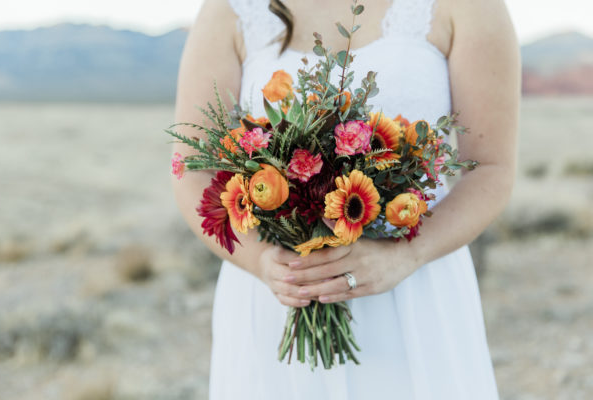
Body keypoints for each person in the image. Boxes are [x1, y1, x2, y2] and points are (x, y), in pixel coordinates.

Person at [171, 0, 519, 398]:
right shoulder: (230, 8)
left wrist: (405, 256)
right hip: (276, 294)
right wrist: (262, 262)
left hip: (413, 290)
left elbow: (491, 168)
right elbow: (190, 168)